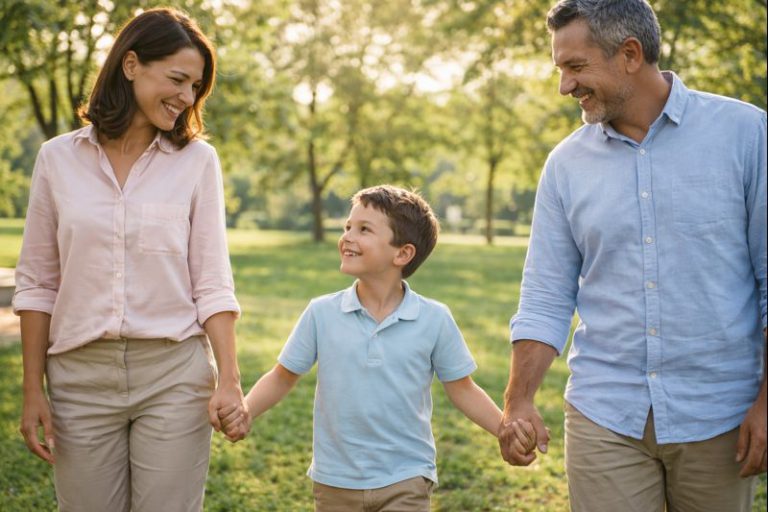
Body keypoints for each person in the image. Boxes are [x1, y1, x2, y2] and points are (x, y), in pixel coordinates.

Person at [496, 0, 767, 511]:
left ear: (629, 54)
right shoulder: (565, 165)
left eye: (576, 67)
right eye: (560, 69)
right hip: (605, 412)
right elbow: (545, 296)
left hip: (719, 415)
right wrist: (518, 399)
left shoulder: (747, 136)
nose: (565, 86)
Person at [14, 8, 248, 512]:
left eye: (196, 87)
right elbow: (37, 284)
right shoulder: (57, 159)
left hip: (173, 373)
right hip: (79, 378)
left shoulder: (197, 162)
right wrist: (32, 389)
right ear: (131, 65)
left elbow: (212, 280)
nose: (186, 97)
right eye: (178, 80)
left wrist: (229, 379)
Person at [219, 185, 532, 511]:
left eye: (364, 229)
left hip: (407, 477)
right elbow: (283, 376)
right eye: (348, 227)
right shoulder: (321, 313)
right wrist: (246, 410)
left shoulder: (434, 319)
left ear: (402, 254)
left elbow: (463, 389)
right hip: (335, 480)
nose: (348, 237)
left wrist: (504, 429)